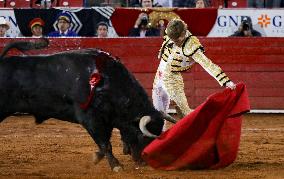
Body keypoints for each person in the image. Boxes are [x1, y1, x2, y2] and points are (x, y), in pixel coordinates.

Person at [152, 19, 236, 119]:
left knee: (185, 113)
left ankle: (210, 122)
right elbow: (166, 42)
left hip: (172, 79)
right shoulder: (171, 31)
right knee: (158, 110)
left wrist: (226, 81)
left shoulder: (191, 45)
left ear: (184, 33)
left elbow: (208, 64)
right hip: (159, 73)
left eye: (177, 39)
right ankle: (160, 132)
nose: (174, 41)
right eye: (172, 39)